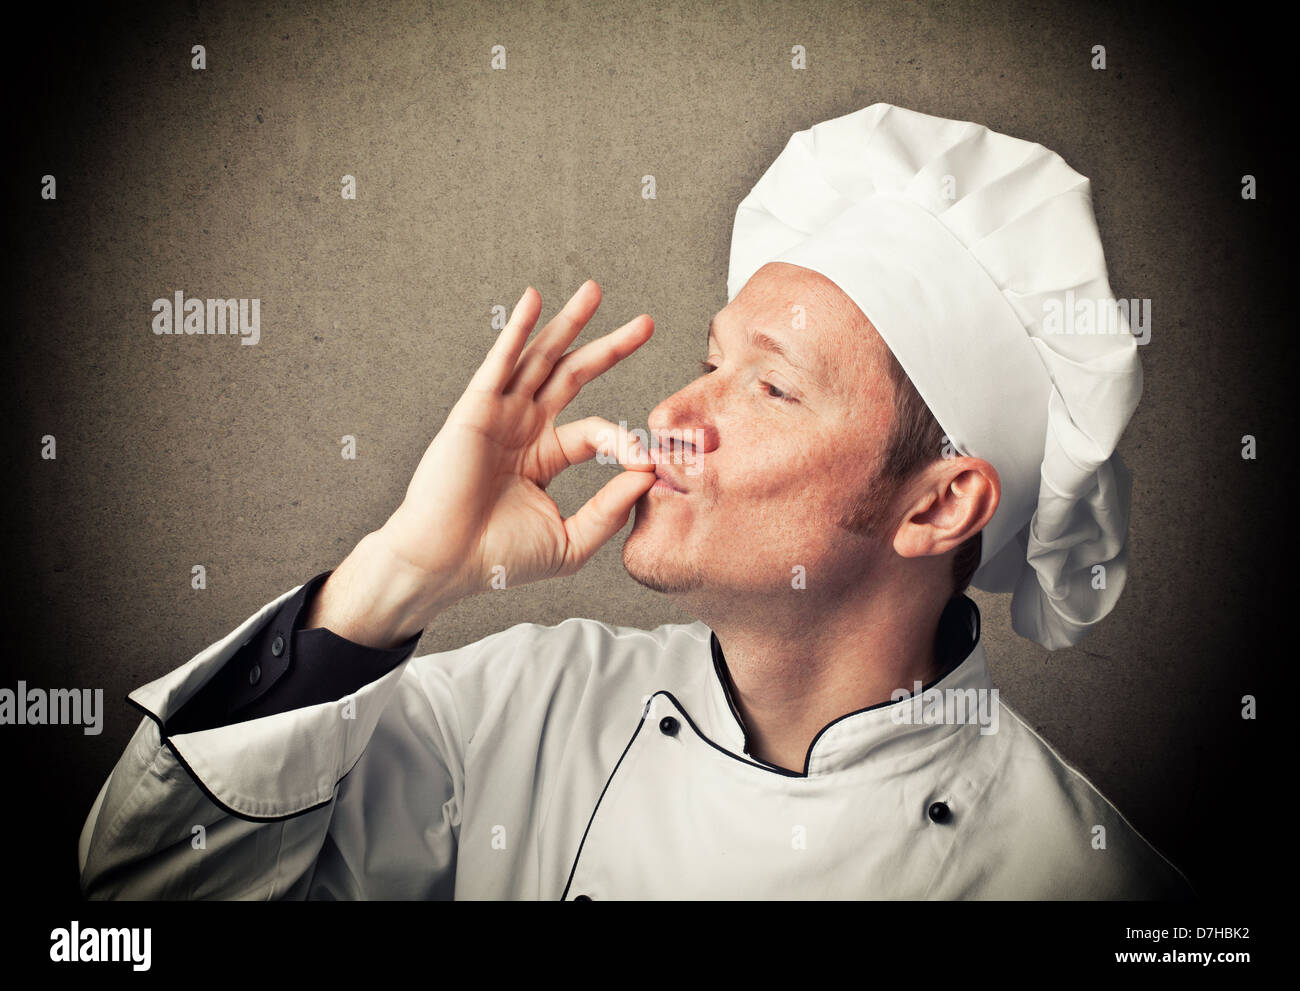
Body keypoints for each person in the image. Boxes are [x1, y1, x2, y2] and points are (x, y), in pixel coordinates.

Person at [78, 104, 1194, 900]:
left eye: (767, 384)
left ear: (938, 506)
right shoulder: (524, 709)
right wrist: (398, 574)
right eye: (710, 357)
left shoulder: (1086, 880)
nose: (679, 409)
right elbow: (139, 887)